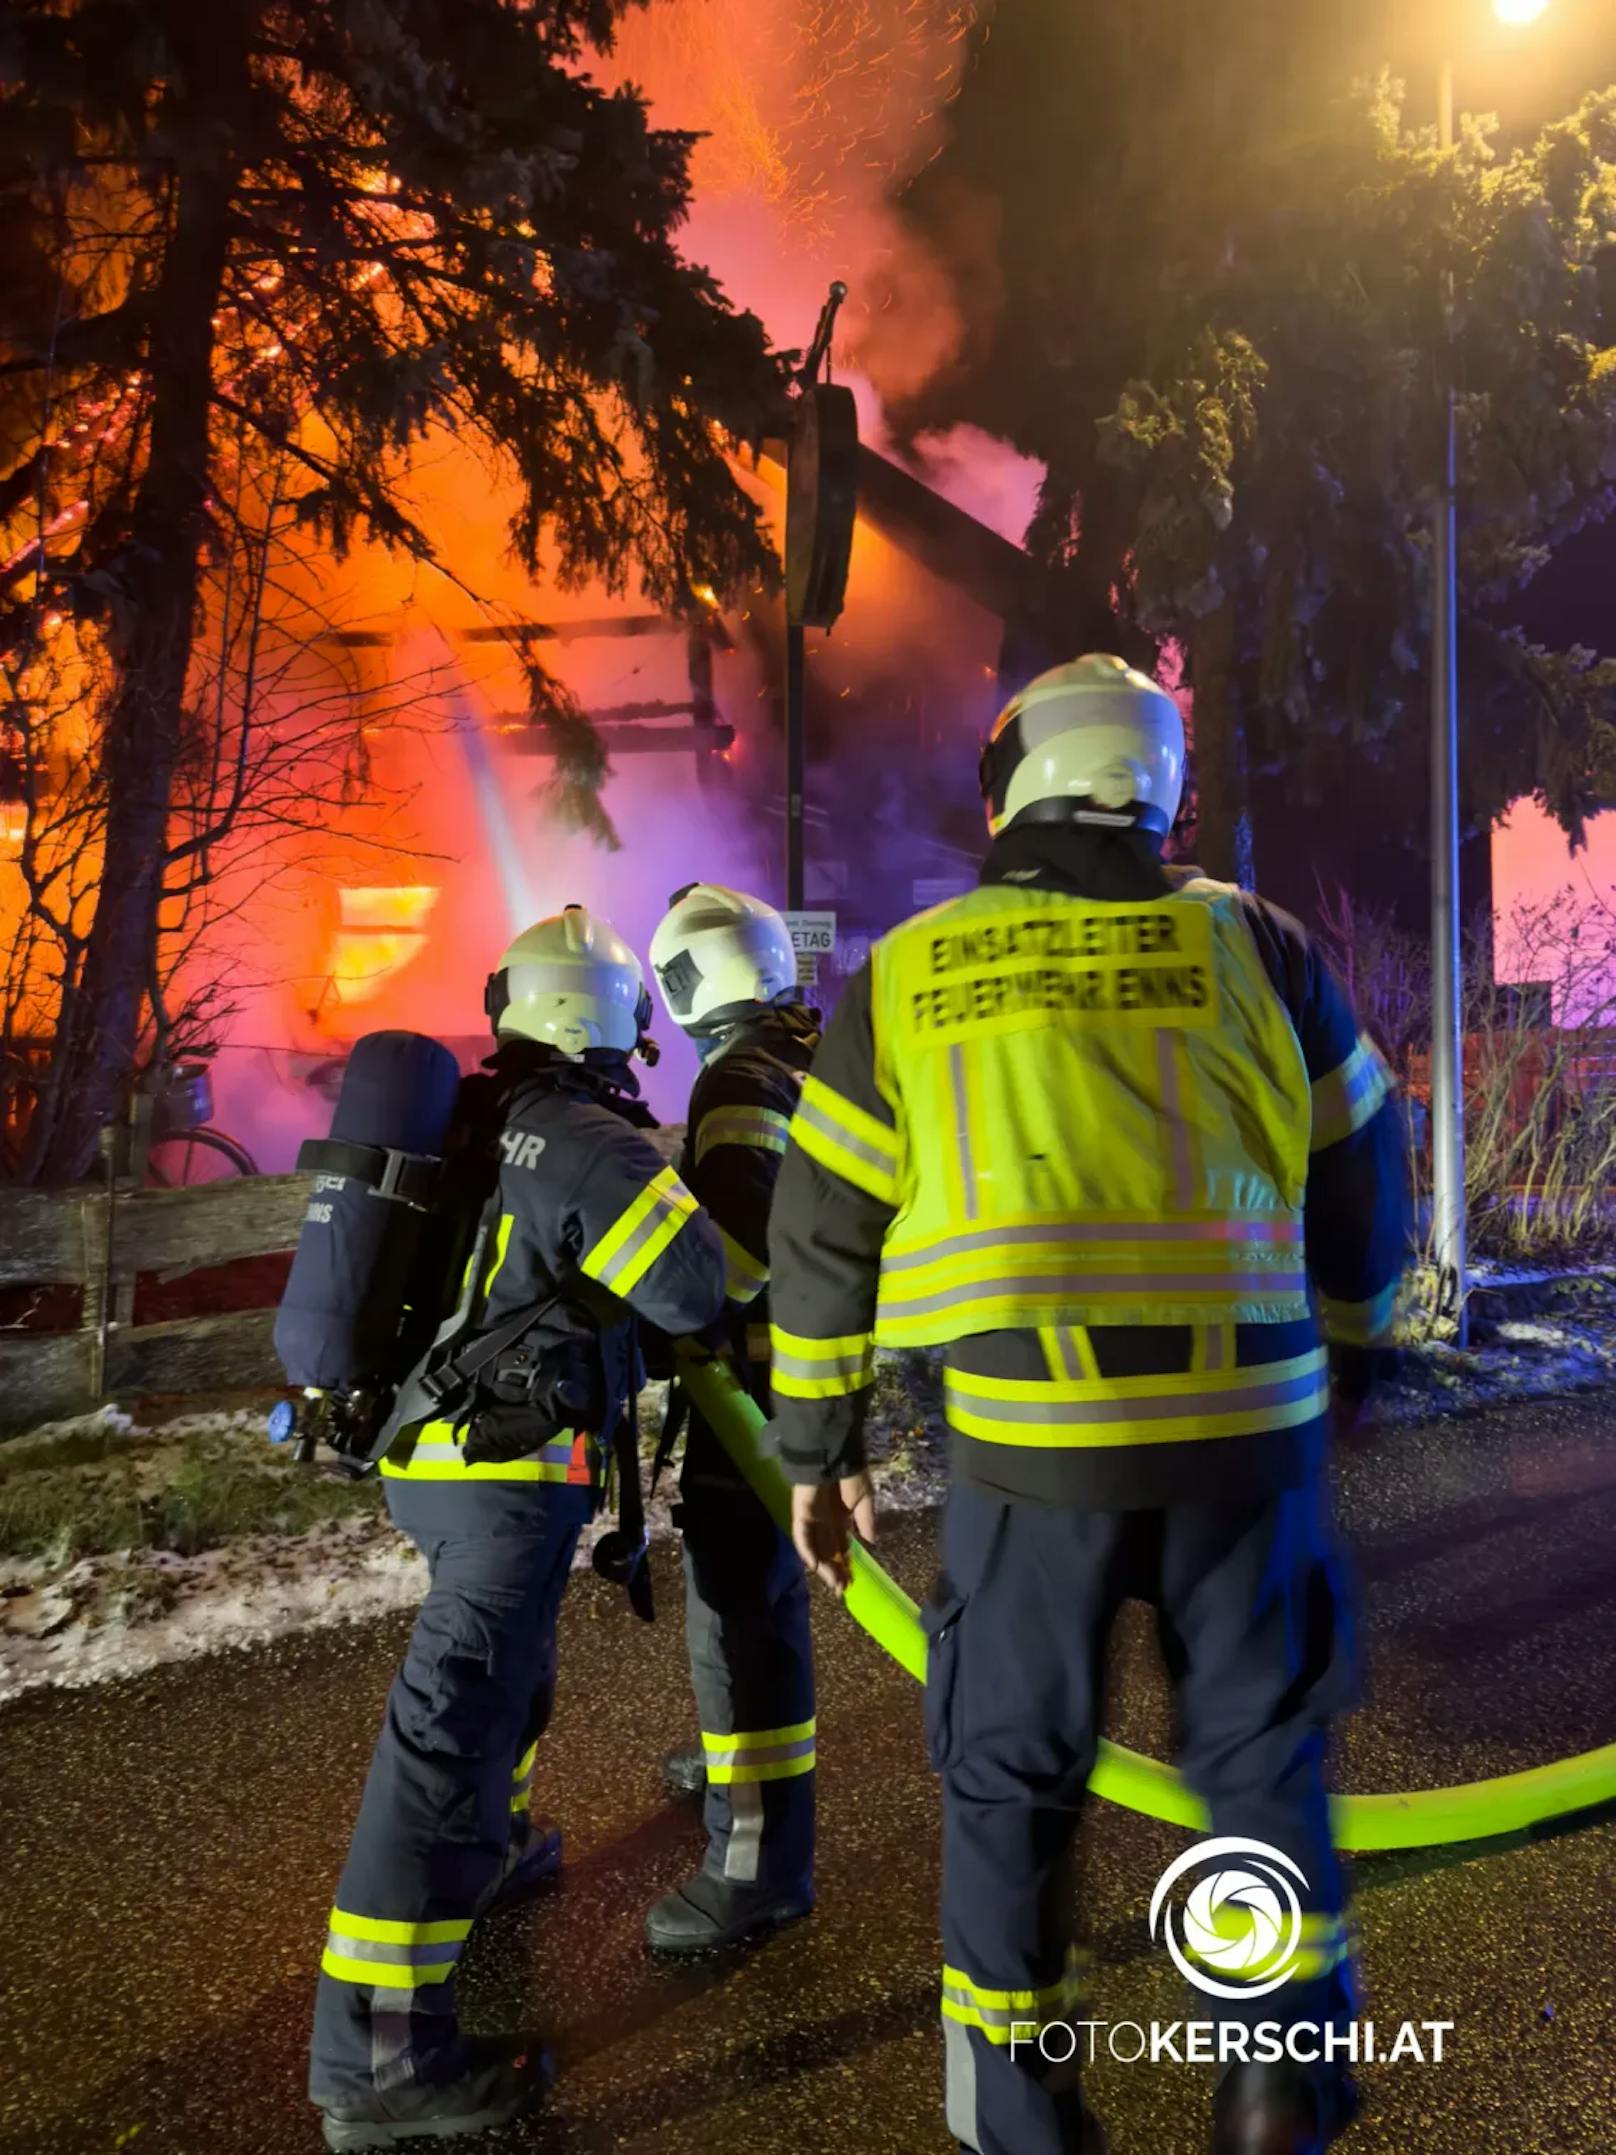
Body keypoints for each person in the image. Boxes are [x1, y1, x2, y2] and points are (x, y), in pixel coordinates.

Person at [767, 656, 1409, 2155]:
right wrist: (1355, 1352)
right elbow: (1367, 1166)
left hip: (1027, 1448)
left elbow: (820, 1232)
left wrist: (820, 1447)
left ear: (1012, 784)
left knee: (1011, 1772)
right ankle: (1275, 2081)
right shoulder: (1261, 941)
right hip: (1251, 1441)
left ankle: (1018, 2099)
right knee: (1256, 1756)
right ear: (1161, 782)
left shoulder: (915, 973)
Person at [309, 905, 727, 2151]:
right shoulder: (588, 1136)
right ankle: (375, 2064)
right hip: (502, 1478)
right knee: (444, 1737)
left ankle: (485, 1856)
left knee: (507, 1686)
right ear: (613, 1020)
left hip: (433, 1462)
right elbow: (692, 1285)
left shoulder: (478, 1119)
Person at [640, 882, 822, 1951]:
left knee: (737, 1615)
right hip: (795, 1380)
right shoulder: (799, 1051)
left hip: (748, 1392)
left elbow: (734, 1263)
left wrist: (648, 1291)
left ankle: (752, 1865)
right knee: (756, 1602)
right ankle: (734, 1757)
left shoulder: (736, 1079)